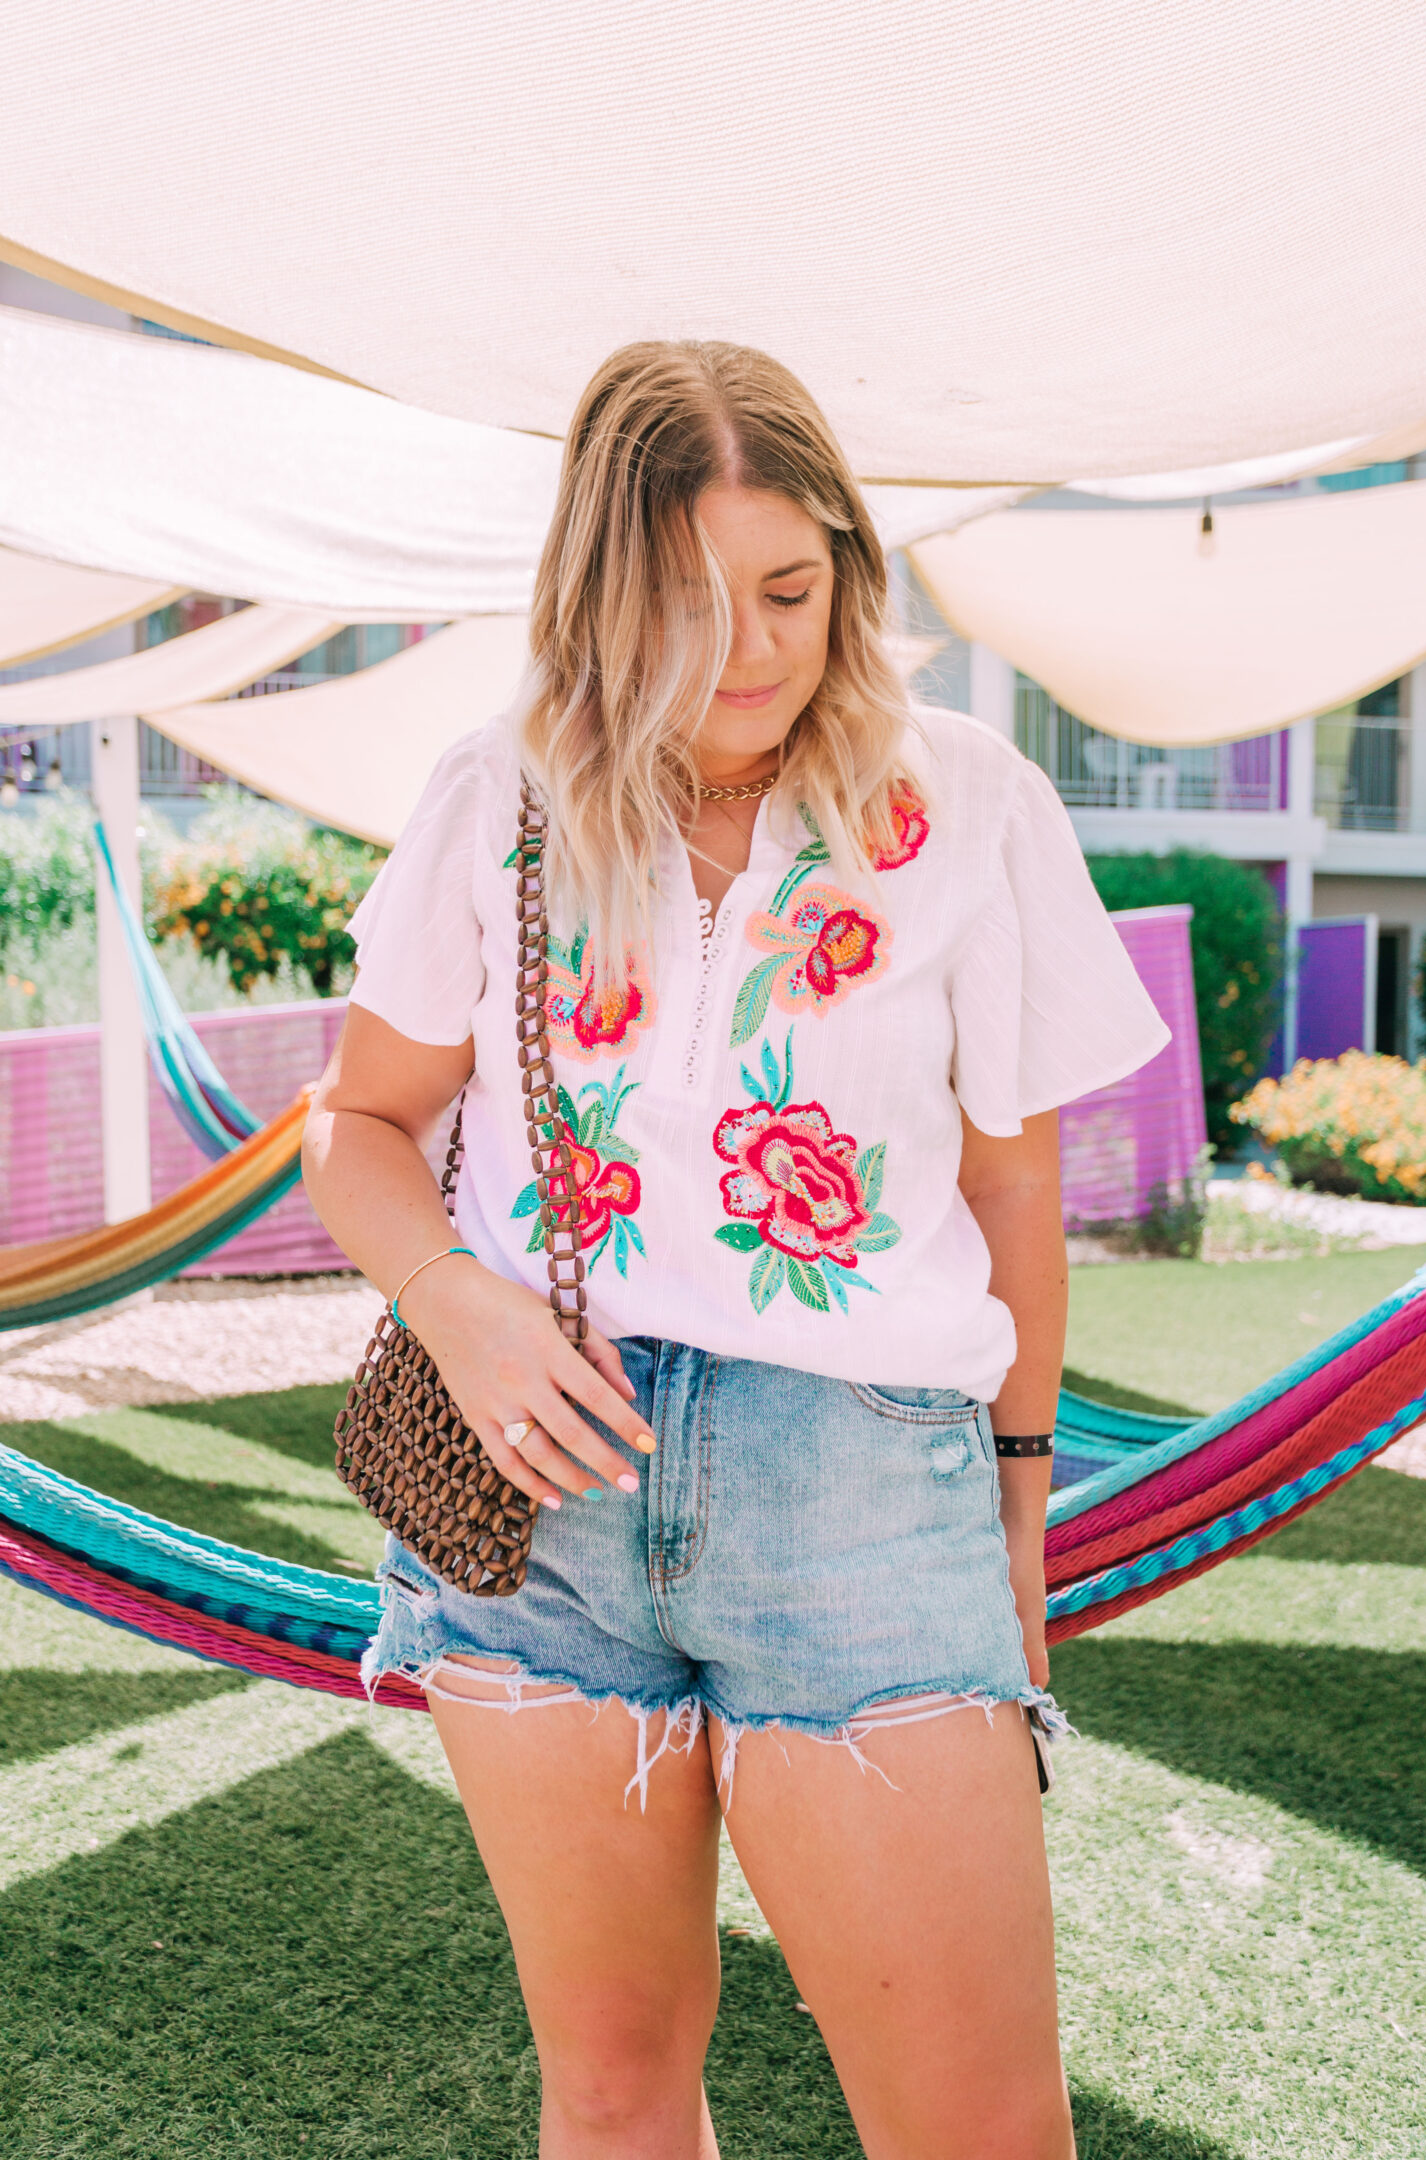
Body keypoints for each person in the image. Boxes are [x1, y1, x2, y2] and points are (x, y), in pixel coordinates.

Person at [303, 340, 1168, 2160]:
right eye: (692, 604)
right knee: (615, 2099)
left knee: (982, 2131)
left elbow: (1017, 1192)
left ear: (850, 567)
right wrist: (451, 1302)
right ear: (599, 598)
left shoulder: (971, 804)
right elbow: (358, 1125)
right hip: (531, 1506)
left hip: (861, 1490)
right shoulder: (499, 792)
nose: (755, 648)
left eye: (793, 587)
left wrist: (1017, 1501)